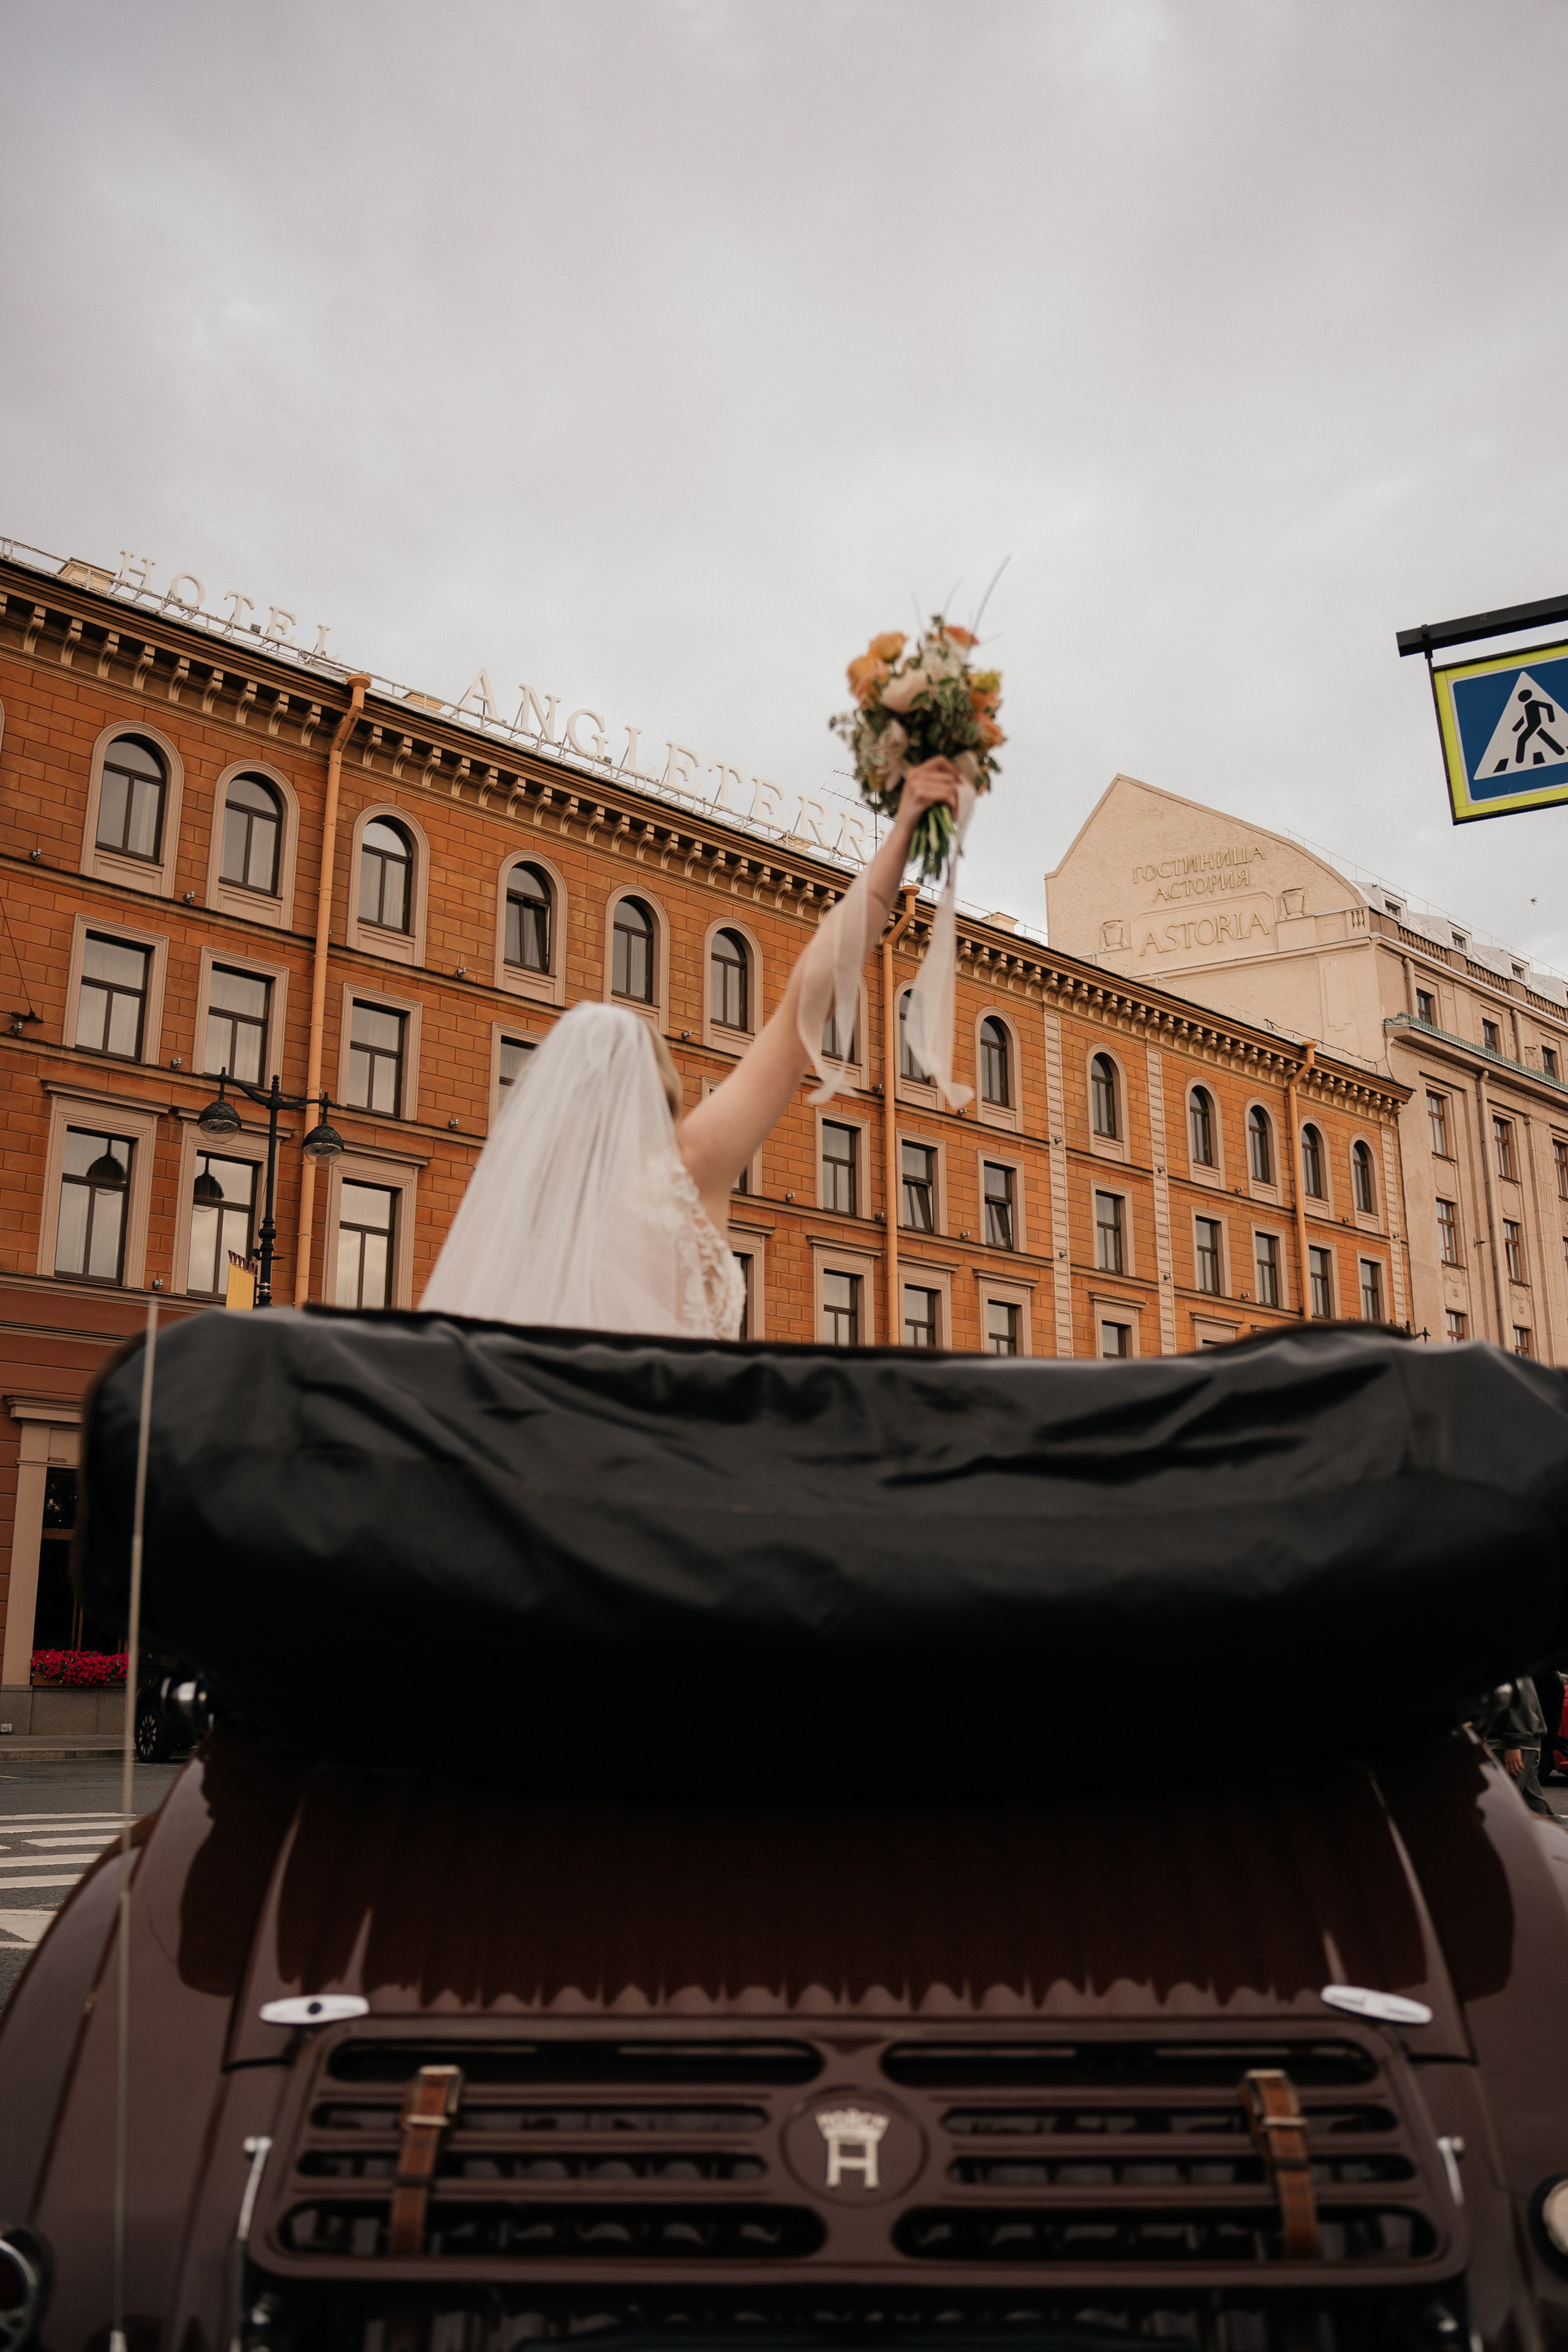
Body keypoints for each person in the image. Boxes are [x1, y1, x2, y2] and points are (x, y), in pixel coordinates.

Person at [420, 758, 962, 1339]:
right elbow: (808, 1004)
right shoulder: (686, 1169)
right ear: (661, 1089)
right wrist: (901, 833)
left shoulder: (522, 1221)